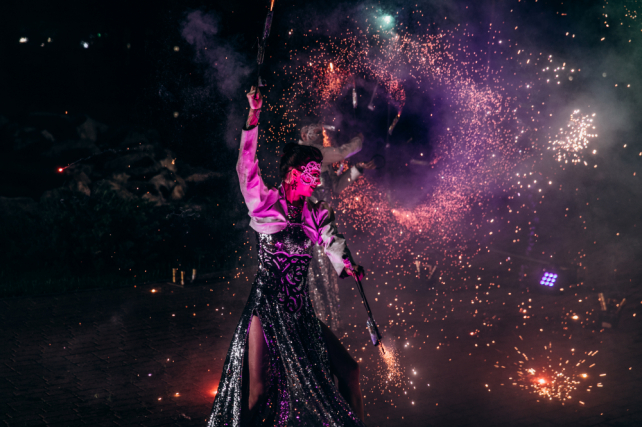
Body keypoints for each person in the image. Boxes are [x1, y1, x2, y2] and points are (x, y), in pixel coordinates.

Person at [208, 87, 366, 427]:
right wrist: (253, 115)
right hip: (266, 309)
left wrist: (348, 265)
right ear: (293, 174)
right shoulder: (263, 203)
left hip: (300, 313)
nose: (317, 180)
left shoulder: (315, 212)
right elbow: (245, 166)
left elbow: (331, 239)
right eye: (311, 173)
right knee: (259, 392)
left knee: (349, 370)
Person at [298, 125, 375, 331]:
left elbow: (335, 187)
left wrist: (357, 169)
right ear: (304, 135)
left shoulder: (318, 157)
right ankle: (321, 323)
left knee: (325, 272)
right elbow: (342, 152)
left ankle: (330, 322)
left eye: (319, 131)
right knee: (317, 273)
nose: (320, 135)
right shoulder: (311, 153)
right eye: (315, 131)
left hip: (322, 223)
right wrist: (359, 138)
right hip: (312, 225)